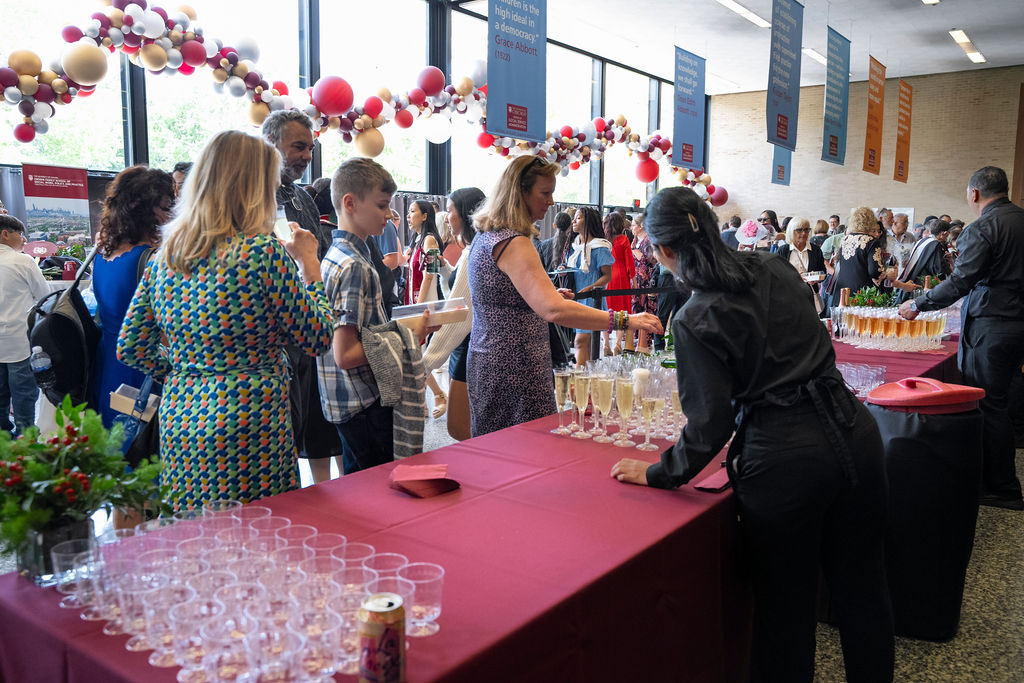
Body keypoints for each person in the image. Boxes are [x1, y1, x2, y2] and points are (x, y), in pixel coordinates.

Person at [610, 186, 894, 683]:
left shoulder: (696, 318)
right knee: (864, 590)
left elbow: (708, 425)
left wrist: (660, 472)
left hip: (785, 461)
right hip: (855, 433)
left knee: (786, 611)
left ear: (663, 251)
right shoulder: (775, 267)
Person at [117, 130, 334, 509]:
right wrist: (310, 264)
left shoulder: (166, 256)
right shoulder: (260, 252)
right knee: (258, 537)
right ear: (254, 187)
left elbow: (130, 347)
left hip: (181, 418)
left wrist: (187, 371)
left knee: (198, 539)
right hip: (251, 418)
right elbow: (317, 338)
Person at [466, 156, 661, 437]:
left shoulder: (488, 236)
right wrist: (625, 320)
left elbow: (502, 296)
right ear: (519, 193)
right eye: (545, 193)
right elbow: (553, 311)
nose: (551, 201)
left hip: (490, 359)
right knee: (522, 450)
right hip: (515, 367)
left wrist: (543, 295)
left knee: (497, 451)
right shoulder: (514, 242)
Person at [899, 166, 1024, 510]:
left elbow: (960, 282)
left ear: (974, 194)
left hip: (993, 324)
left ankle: (1002, 487)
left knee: (989, 403)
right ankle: (999, 479)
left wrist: (918, 304)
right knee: (1004, 399)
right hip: (1018, 322)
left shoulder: (984, 227)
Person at [317, 158, 433, 473]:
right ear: (350, 203)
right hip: (364, 403)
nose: (389, 215)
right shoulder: (354, 265)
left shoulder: (335, 255)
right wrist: (408, 335)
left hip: (345, 401)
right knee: (377, 492)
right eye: (382, 205)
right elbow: (346, 353)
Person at [263, 109, 344, 484]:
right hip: (270, 345)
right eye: (298, 147)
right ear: (270, 144)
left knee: (312, 425)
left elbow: (322, 253)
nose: (306, 157)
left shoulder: (301, 198)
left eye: (309, 149)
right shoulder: (253, 201)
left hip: (311, 328)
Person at [90, 166, 174, 432]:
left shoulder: (103, 252)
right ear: (143, 210)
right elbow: (165, 328)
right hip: (142, 369)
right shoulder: (152, 259)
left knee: (118, 448)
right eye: (165, 206)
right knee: (145, 450)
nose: (170, 214)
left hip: (108, 365)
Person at [423, 187, 486, 441]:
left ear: (466, 214)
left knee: (460, 428)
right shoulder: (473, 247)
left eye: (450, 211)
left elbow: (460, 310)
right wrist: (445, 268)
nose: (447, 217)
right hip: (469, 344)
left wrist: (425, 363)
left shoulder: (474, 251)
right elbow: (459, 288)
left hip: (470, 344)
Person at [0, 215, 49, 435]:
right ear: (5, 234)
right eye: (21, 235)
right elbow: (45, 298)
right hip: (18, 341)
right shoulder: (22, 261)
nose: (23, 240)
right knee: (24, 395)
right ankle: (25, 443)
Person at [564, 207, 613, 365]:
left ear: (588, 221)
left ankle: (579, 378)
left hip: (591, 298)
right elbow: (573, 270)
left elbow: (607, 276)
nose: (574, 221)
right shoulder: (575, 247)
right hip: (576, 297)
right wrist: (563, 271)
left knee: (581, 340)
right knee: (586, 342)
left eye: (578, 218)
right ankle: (586, 378)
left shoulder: (600, 247)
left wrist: (591, 287)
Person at [825, 206, 894, 311]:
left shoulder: (845, 239)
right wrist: (886, 273)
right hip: (862, 293)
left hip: (843, 291)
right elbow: (874, 271)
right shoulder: (871, 241)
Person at [892, 219, 952, 303]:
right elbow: (937, 269)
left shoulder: (922, 240)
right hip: (923, 283)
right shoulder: (935, 244)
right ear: (943, 233)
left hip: (913, 278)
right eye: (948, 233)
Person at [604, 212, 635, 355]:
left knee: (606, 310)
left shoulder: (604, 241)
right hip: (621, 277)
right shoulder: (623, 240)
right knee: (622, 311)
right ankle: (617, 344)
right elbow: (630, 262)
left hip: (607, 276)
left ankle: (605, 344)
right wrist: (633, 279)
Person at [405, 200, 443, 304]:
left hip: (427, 304)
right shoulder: (418, 241)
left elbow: (429, 275)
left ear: (424, 216)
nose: (408, 216)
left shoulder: (430, 240)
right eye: (408, 212)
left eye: (412, 211)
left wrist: (418, 307)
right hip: (416, 300)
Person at [631, 212, 659, 353]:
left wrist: (637, 254)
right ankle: (639, 341)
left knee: (645, 308)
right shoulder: (637, 240)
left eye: (634, 225)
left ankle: (644, 342)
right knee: (637, 307)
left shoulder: (648, 240)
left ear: (641, 226)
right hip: (638, 280)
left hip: (646, 280)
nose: (631, 227)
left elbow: (652, 260)